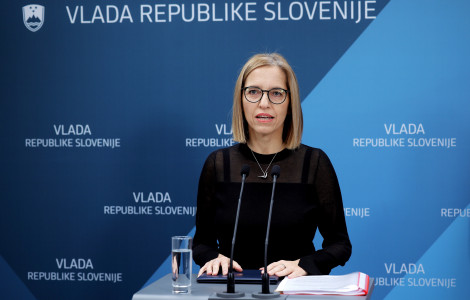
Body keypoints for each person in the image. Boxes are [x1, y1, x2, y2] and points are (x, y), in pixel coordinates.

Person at [193, 53, 351, 279]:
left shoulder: (314, 163)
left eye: (276, 93)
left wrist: (305, 264)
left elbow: (340, 244)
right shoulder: (219, 164)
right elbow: (201, 243)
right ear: (241, 99)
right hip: (230, 291)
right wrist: (213, 258)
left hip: (295, 291)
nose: (264, 103)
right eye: (253, 92)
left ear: (290, 102)